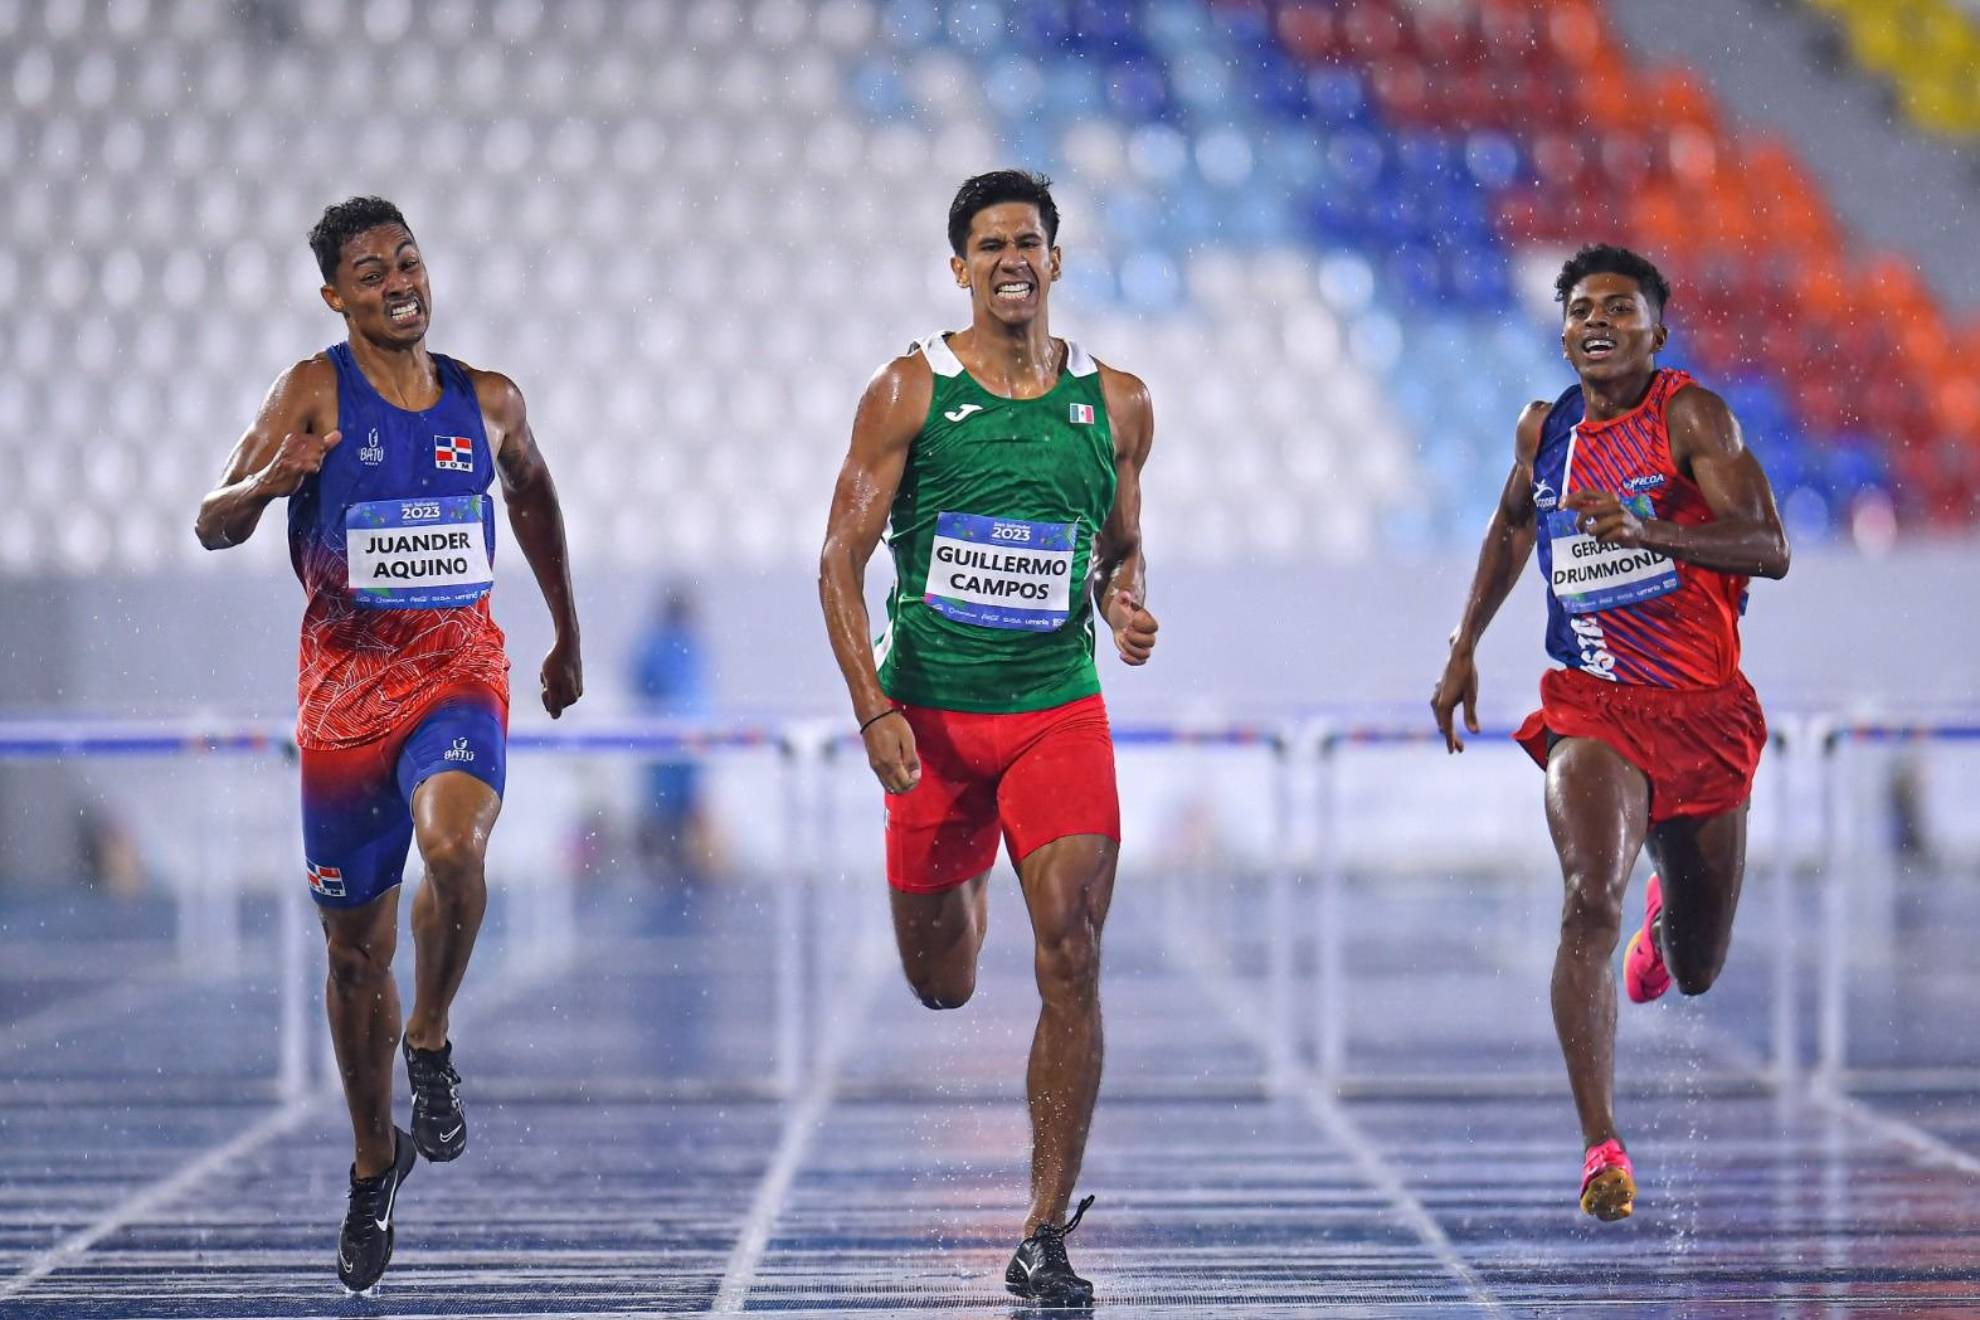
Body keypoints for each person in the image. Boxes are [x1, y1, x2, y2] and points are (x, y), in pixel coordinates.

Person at [194, 197, 582, 1292]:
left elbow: (538, 497)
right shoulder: (310, 392)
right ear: (335, 297)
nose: (397, 282)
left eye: (407, 261)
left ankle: (432, 1037)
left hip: (459, 677)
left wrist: (565, 635)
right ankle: (374, 1162)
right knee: (351, 954)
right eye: (370, 273)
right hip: (342, 705)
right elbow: (211, 520)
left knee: (456, 848)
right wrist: (273, 482)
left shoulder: (488, 398)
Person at [818, 170, 1158, 1307]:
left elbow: (1117, 548)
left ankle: (1044, 1230)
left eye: (1030, 240)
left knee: (1071, 947)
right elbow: (838, 563)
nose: (1012, 258)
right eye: (989, 244)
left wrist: (1123, 603)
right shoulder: (911, 389)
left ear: (1056, 261)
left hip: (1057, 711)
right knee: (944, 982)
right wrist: (873, 708)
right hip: (932, 727)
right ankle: (954, 885)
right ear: (958, 268)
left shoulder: (1119, 404)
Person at [1430, 244, 1789, 1222]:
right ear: (1562, 330)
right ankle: (1601, 1148)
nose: (1597, 320)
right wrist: (1463, 648)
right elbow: (1513, 527)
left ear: (1655, 332)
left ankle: (1668, 925)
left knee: (1701, 967)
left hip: (1703, 714)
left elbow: (1769, 546)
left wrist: (1650, 532)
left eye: (1620, 308)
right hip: (1593, 704)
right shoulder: (1542, 430)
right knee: (1588, 895)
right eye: (1581, 307)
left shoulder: (1691, 415)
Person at [629, 583, 715, 879]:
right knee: (673, 828)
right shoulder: (681, 647)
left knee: (667, 830)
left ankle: (669, 877)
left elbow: (641, 684)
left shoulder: (661, 646)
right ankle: (676, 878)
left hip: (669, 756)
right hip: (680, 753)